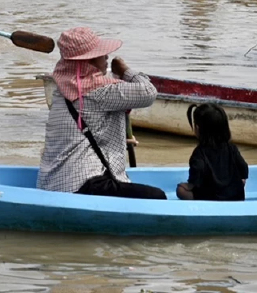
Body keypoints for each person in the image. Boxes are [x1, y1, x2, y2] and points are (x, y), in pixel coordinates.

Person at [37, 27, 163, 199]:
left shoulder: (63, 86)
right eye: (100, 54)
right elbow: (149, 92)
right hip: (83, 183)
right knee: (157, 196)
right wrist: (125, 70)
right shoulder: (98, 90)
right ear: (87, 61)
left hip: (53, 182)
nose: (106, 57)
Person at [175, 104, 248, 201]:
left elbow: (197, 172)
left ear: (197, 129)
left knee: (180, 190)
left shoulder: (199, 153)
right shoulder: (232, 148)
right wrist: (240, 181)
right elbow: (243, 167)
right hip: (234, 196)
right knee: (238, 183)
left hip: (210, 198)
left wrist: (189, 185)